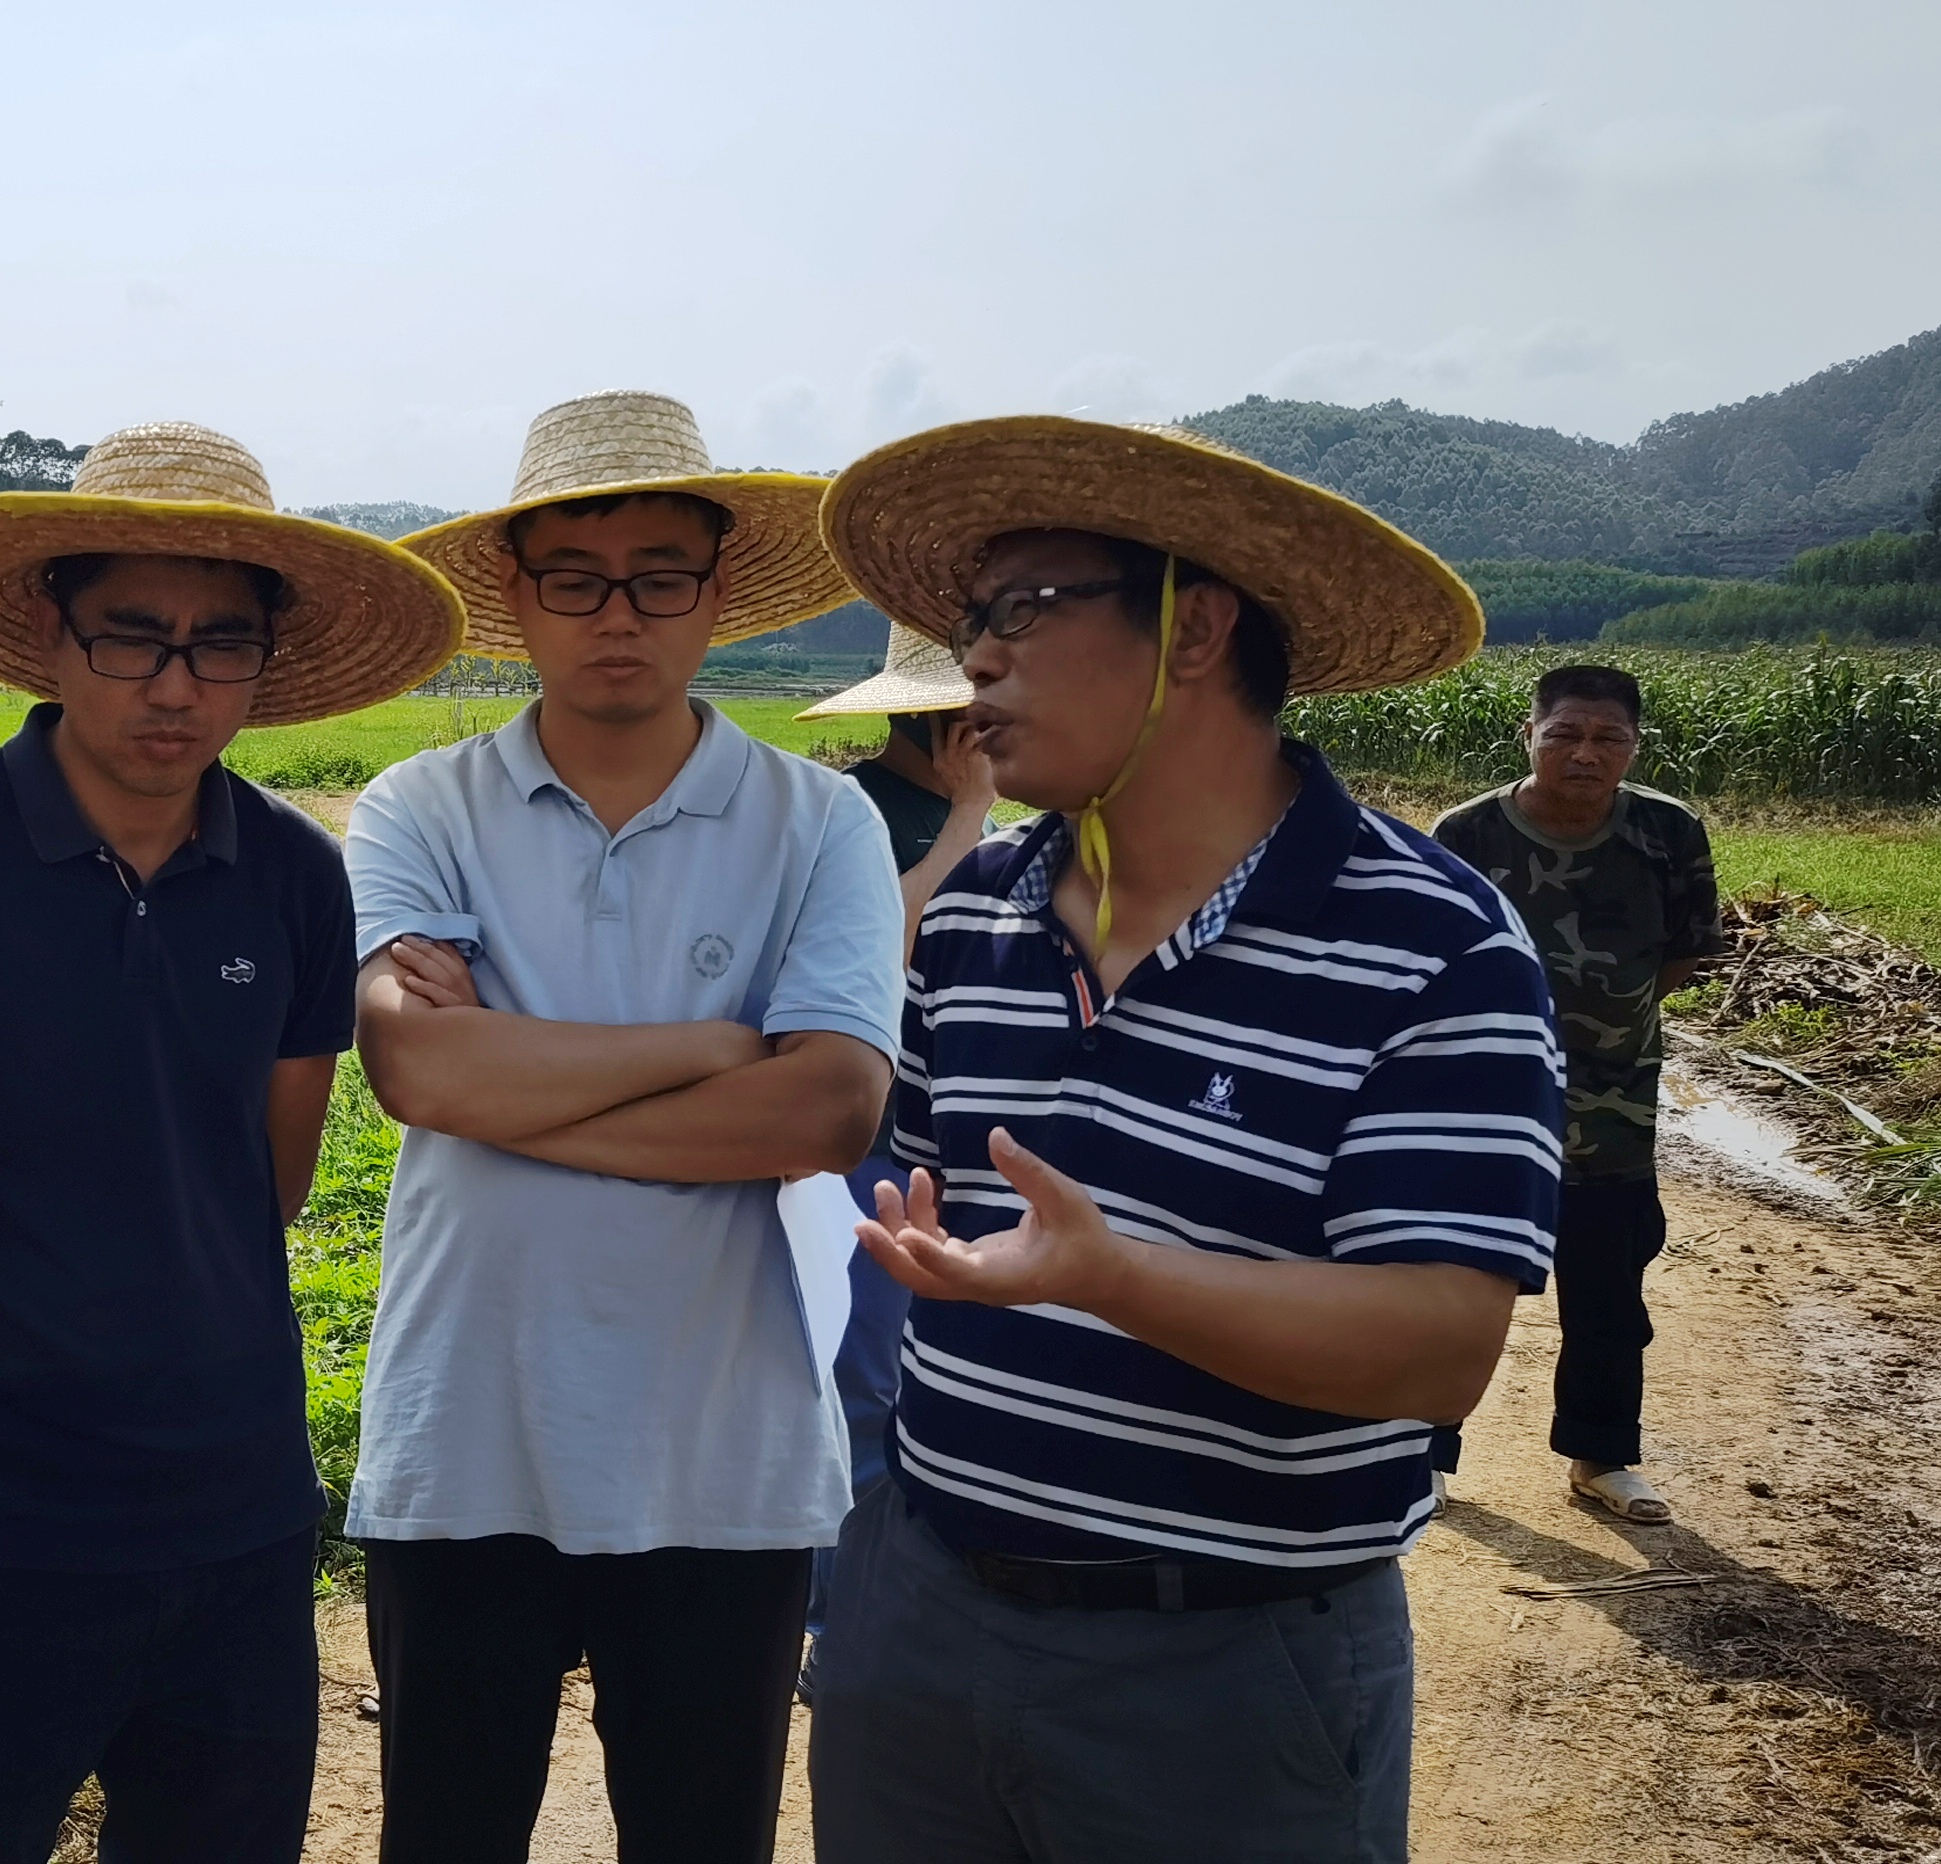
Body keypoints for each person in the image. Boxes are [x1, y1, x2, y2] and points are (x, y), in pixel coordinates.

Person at [802, 416, 1565, 1861]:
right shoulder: (972, 916)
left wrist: (1114, 1276)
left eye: (1024, 609)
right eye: (973, 623)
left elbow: (1436, 1347)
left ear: (1197, 627)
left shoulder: (1431, 944)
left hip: (1224, 1666)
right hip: (922, 1613)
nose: (977, 662)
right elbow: (926, 1195)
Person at [0, 421, 466, 1861]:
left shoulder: (293, 874)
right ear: (51, 632)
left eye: (220, 646)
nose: (174, 685)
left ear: (264, 658)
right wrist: (4, 1278)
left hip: (236, 1510)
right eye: (131, 636)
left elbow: (270, 1177)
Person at [347, 390, 899, 1862]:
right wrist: (713, 1049)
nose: (618, 615)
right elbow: (417, 1073)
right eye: (576, 579)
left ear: (716, 595)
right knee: (446, 1837)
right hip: (465, 1438)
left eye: (660, 578)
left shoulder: (818, 823)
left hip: (724, 1458)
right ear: (516, 594)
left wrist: (508, 1084)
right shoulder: (419, 807)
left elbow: (832, 1106)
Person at [1432, 663, 1724, 1526]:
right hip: (1484, 1108)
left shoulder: (1668, 833)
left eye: (1608, 739)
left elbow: (1681, 952)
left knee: (1608, 1295)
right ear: (1530, 736)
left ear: (1634, 747)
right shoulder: (1467, 833)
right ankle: (1424, 1454)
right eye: (1564, 735)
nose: (1585, 754)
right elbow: (1431, 956)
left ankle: (1603, 1458)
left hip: (1615, 1111)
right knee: (1455, 1286)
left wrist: (1605, 1029)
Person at [789, 624, 996, 1622]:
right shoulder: (851, 813)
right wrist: (967, 820)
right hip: (866, 1147)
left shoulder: (988, 823)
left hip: (953, 1148)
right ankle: (843, 1618)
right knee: (863, 1382)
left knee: (937, 1382)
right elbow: (884, 946)